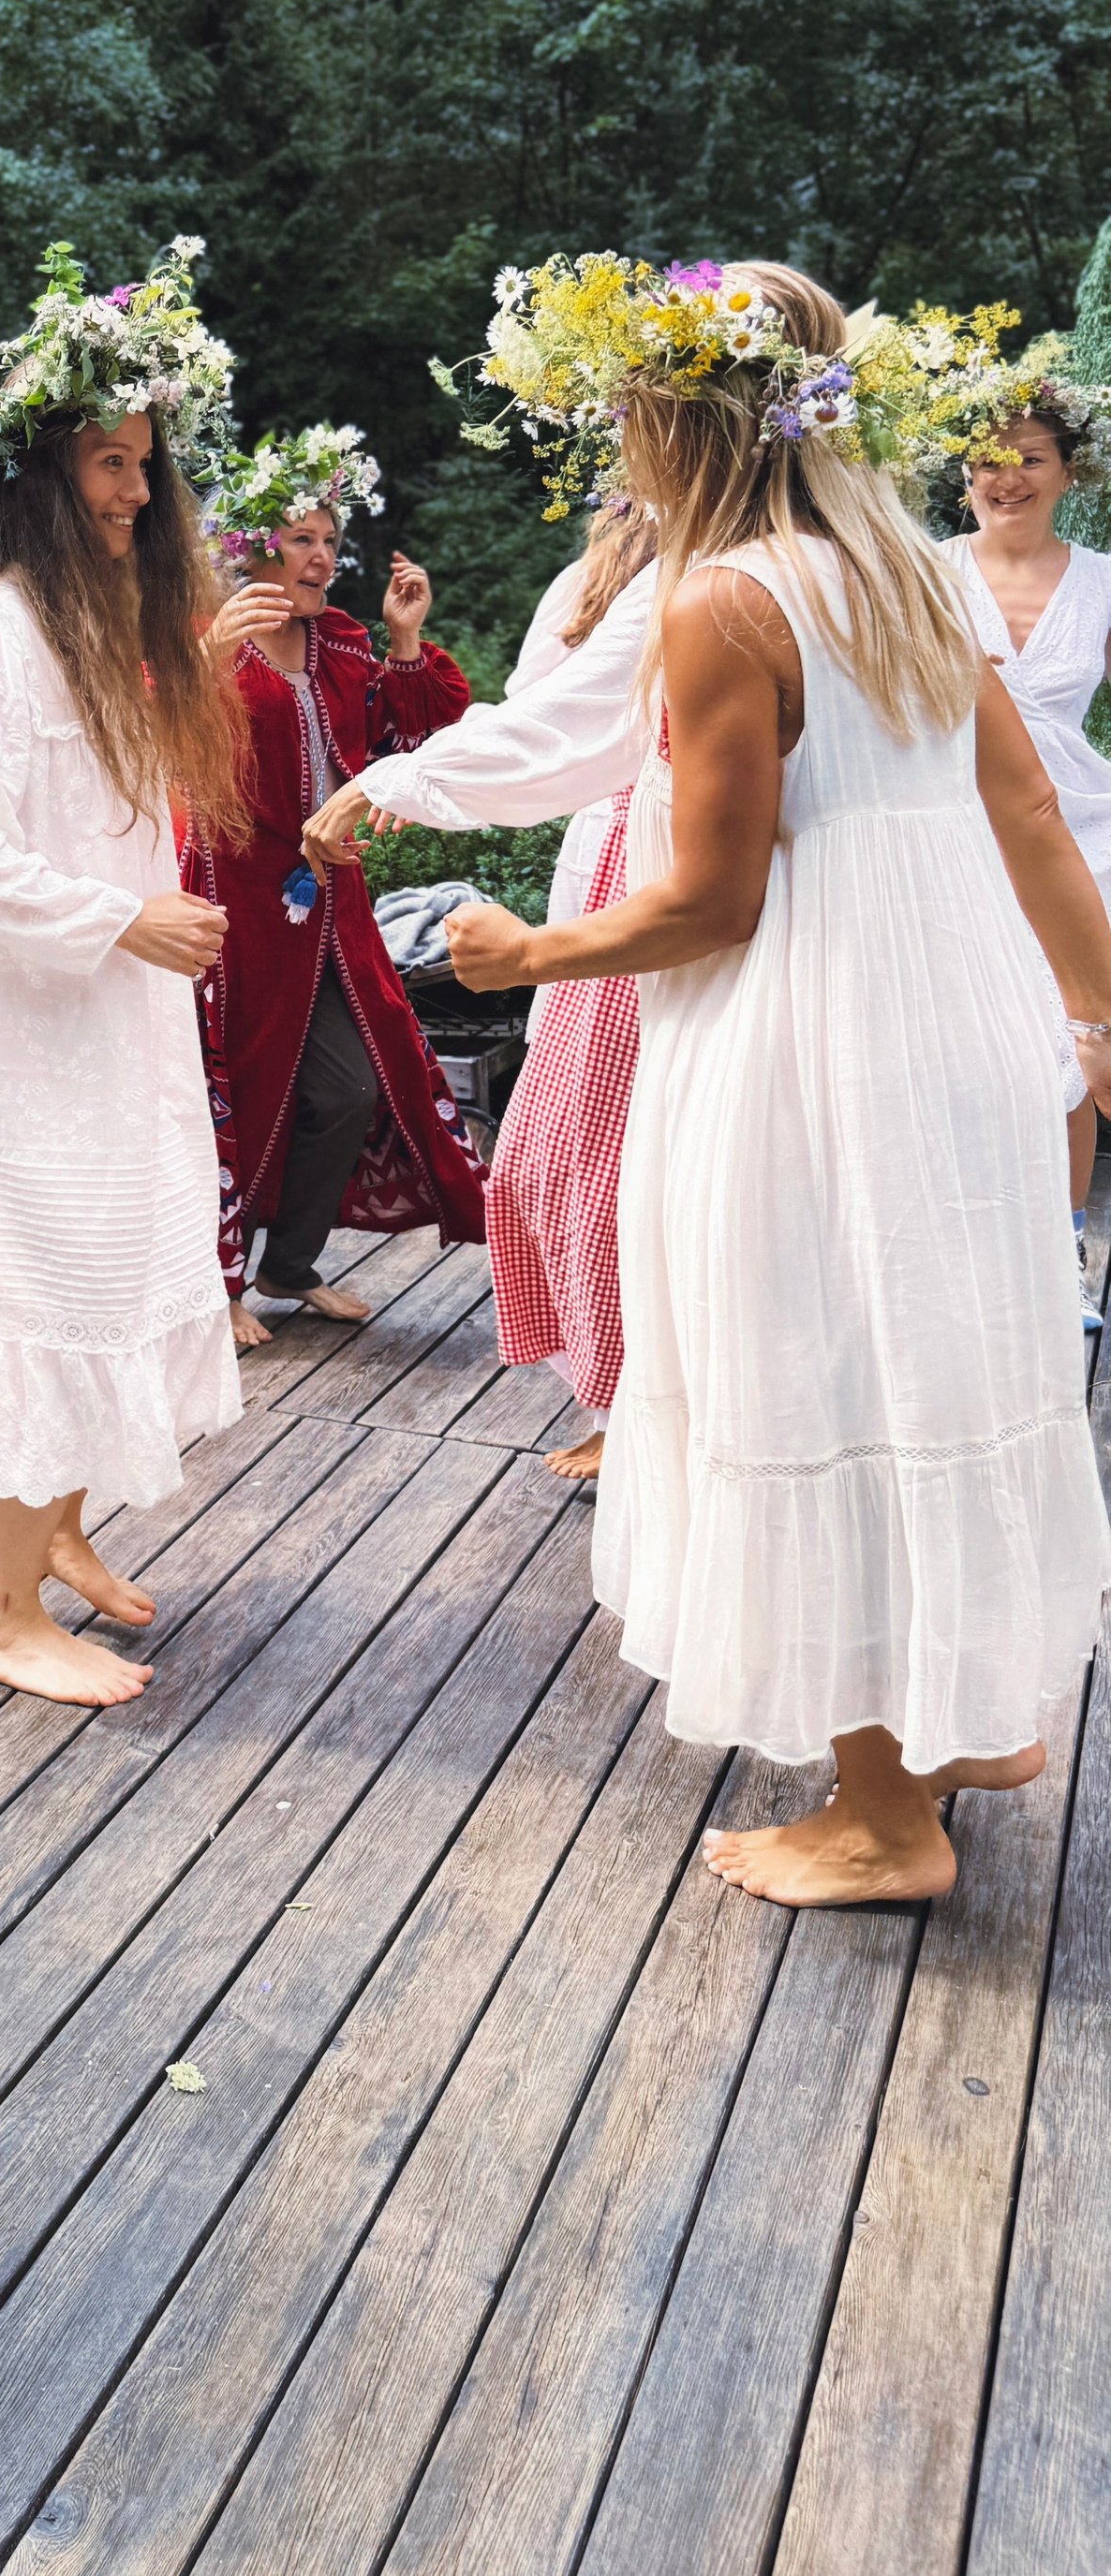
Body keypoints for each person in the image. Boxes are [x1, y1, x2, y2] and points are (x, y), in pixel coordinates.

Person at [438, 255, 1111, 1908]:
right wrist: (1100, 1008)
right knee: (931, 1345)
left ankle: (884, 1815)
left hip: (805, 1033)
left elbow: (713, 900)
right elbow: (1028, 813)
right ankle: (971, 1719)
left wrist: (525, 951)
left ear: (680, 415)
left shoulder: (725, 600)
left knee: (814, 1359)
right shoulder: (907, 571)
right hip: (953, 1015)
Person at [0, 239, 244, 1709]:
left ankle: (61, 1536)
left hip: (86, 1010)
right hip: (15, 1022)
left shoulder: (93, 621)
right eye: (107, 466)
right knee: (50, 1275)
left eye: (145, 464)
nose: (138, 492)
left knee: (118, 1247)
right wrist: (122, 922)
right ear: (37, 480)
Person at [306, 497, 659, 1476]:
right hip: (603, 852)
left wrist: (401, 778)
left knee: (624, 1164)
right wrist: (409, 776)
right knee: (549, 1161)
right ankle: (610, 1388)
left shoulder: (728, 568)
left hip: (666, 864)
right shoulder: (590, 585)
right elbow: (535, 720)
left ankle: (640, 1412)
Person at [185, 424, 486, 1352]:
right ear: (252, 548)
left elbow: (416, 728)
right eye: (300, 540)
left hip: (327, 901)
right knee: (228, 1080)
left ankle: (286, 1263)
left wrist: (405, 636)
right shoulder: (207, 636)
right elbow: (141, 726)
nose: (320, 557)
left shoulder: (345, 639)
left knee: (352, 1084)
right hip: (236, 899)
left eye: (328, 539)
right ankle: (213, 1283)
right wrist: (201, 660)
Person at [944, 359, 1111, 1304]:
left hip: (1077, 837)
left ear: (1066, 470)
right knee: (966, 1043)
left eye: (1029, 458)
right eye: (985, 462)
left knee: (1068, 1047)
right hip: (953, 836)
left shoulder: (1100, 583)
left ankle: (1063, 1259)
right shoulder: (921, 572)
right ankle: (970, 1255)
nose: (1005, 478)